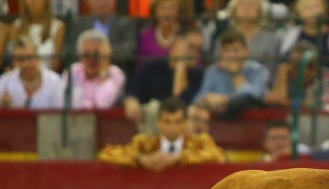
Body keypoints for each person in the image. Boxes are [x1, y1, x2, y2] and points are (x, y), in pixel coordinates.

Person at [98, 96, 226, 170]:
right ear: (159, 122)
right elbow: (106, 153)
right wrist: (139, 159)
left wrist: (180, 157)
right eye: (167, 121)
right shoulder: (144, 144)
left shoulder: (199, 142)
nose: (172, 127)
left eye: (177, 121)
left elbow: (219, 155)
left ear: (185, 122)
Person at [123, 30, 204, 130]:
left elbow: (179, 104)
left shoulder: (198, 76)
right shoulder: (151, 66)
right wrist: (131, 101)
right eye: (191, 46)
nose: (195, 53)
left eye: (198, 49)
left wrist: (180, 70)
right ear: (176, 43)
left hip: (181, 129)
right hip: (150, 126)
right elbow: (134, 90)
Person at [194, 28, 268, 119]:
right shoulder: (213, 71)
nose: (231, 55)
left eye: (235, 50)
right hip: (218, 120)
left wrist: (235, 74)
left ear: (246, 51)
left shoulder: (258, 70)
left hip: (249, 120)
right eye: (226, 50)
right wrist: (207, 98)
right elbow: (196, 100)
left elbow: (254, 97)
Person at [209, 0, 282, 77]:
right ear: (233, 10)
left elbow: (272, 71)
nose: (247, 7)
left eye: (252, 4)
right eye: (242, 3)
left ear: (260, 11)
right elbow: (216, 67)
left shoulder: (272, 40)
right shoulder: (223, 38)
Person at [66, 0, 138, 74]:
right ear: (88, 2)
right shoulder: (78, 24)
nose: (102, 2)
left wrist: (103, 53)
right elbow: (71, 50)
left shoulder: (126, 24)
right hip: (84, 75)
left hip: (115, 73)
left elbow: (129, 49)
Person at [0, 35, 63, 108]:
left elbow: (60, 113)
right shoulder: (4, 81)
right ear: (14, 62)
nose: (26, 64)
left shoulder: (55, 81)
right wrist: (3, 106)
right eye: (21, 59)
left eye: (29, 57)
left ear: (38, 57)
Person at [64, 29, 126, 109]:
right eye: (86, 55)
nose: (91, 59)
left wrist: (104, 73)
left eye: (97, 54)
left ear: (106, 55)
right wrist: (93, 105)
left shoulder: (116, 74)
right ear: (80, 56)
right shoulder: (72, 71)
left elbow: (103, 104)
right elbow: (69, 104)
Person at [279, 0, 329, 72]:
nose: (312, 11)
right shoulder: (292, 34)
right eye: (306, 7)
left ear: (325, 9)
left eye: (316, 6)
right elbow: (283, 61)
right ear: (298, 12)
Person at [9, 0, 65, 73]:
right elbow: (14, 63)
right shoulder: (16, 26)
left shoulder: (58, 27)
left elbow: (56, 66)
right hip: (21, 77)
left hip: (47, 77)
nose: (33, 1)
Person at [137, 0, 181, 66]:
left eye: (171, 8)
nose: (167, 12)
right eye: (163, 8)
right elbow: (140, 66)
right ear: (155, 11)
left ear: (178, 11)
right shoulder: (145, 36)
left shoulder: (186, 35)